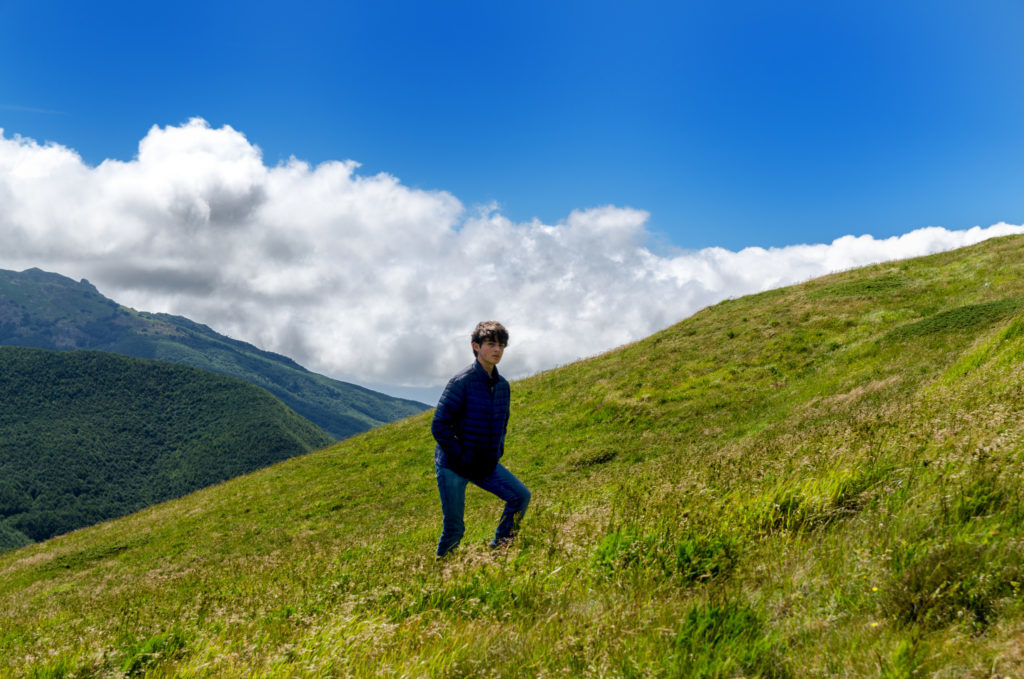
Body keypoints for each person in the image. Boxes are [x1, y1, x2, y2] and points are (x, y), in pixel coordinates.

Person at [432, 321, 531, 557]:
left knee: (520, 496)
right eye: (491, 344)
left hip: (485, 463)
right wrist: (462, 457)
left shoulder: (503, 386)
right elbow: (439, 426)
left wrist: (497, 452)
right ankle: (440, 574)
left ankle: (500, 551)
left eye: (501, 345)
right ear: (476, 346)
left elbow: (502, 423)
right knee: (455, 528)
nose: (497, 350)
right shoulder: (461, 382)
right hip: (453, 467)